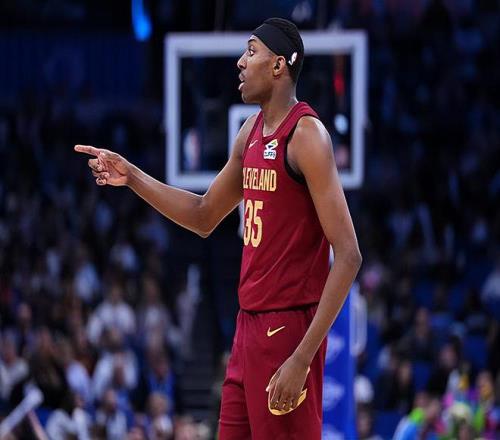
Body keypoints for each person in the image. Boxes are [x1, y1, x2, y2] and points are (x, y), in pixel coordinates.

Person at [75, 17, 361, 439]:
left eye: (251, 51)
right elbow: (204, 214)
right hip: (246, 327)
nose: (240, 62)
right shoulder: (249, 133)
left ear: (279, 65)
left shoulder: (307, 136)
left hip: (287, 330)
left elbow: (349, 254)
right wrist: (132, 176)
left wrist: (302, 357)